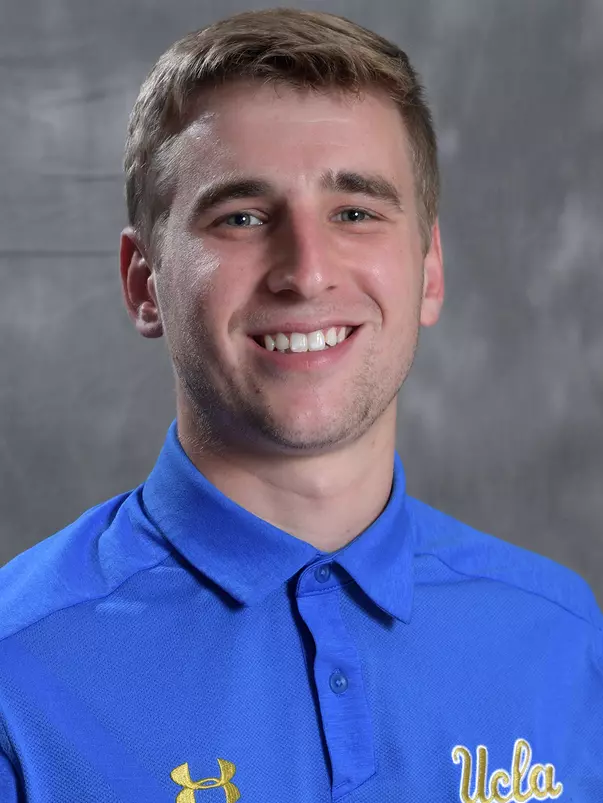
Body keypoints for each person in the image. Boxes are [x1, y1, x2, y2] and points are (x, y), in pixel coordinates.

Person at [1, 8, 601, 802]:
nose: (307, 272)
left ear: (426, 273)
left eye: (355, 212)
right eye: (241, 217)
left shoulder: (559, 634)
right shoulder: (20, 668)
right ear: (143, 282)